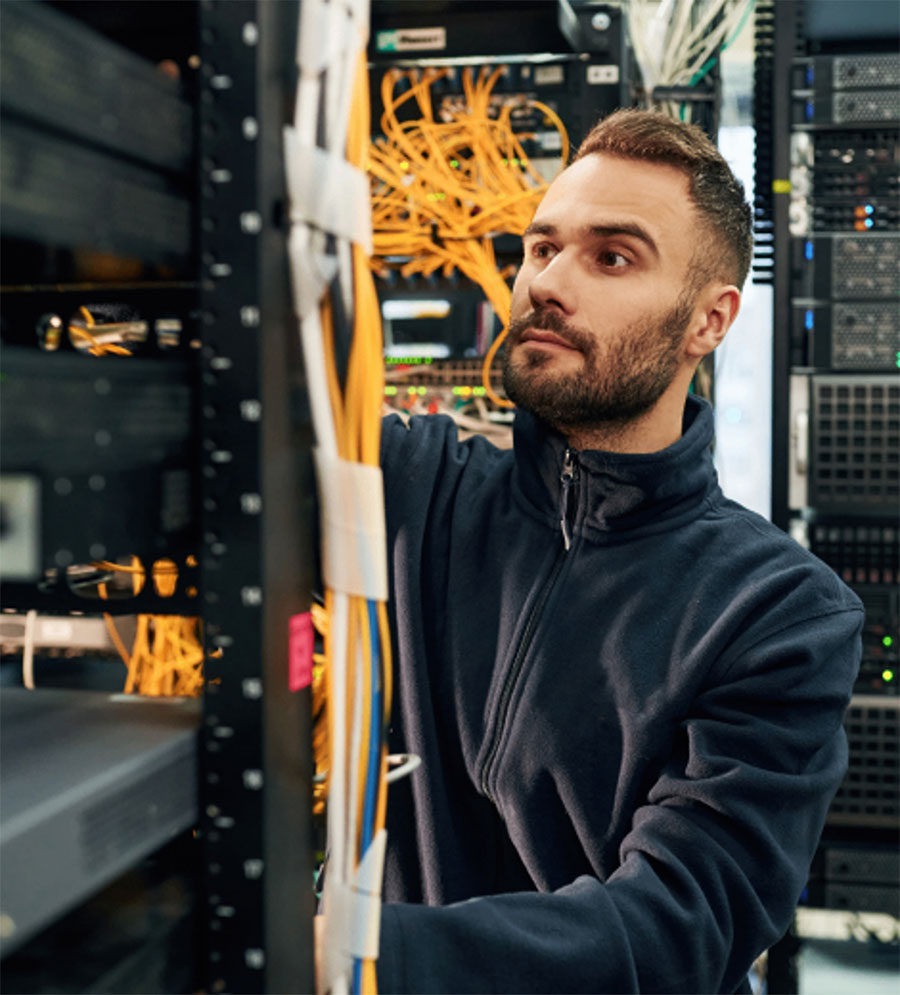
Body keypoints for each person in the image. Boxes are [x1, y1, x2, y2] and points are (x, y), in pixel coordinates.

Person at [369, 110, 863, 994]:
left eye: (613, 257)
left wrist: (365, 955)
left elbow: (675, 925)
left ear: (709, 320)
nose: (548, 283)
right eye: (542, 248)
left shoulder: (778, 612)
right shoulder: (421, 490)